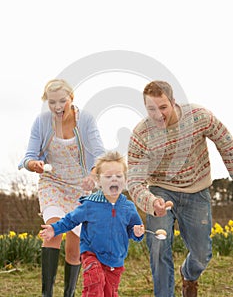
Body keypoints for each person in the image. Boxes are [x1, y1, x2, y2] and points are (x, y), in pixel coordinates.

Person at [127, 80, 233, 297]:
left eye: (163, 107)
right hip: (160, 191)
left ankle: (189, 275)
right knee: (158, 247)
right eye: (151, 109)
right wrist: (151, 202)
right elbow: (135, 181)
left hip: (196, 190)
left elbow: (226, 143)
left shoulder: (198, 116)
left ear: (173, 102)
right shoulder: (141, 135)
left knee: (202, 253)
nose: (158, 115)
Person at [18, 78, 105, 297]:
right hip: (53, 183)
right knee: (53, 231)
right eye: (52, 102)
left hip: (80, 187)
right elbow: (29, 156)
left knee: (74, 248)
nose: (57, 107)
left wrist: (94, 174)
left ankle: (68, 294)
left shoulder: (85, 120)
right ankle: (47, 294)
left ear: (71, 99)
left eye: (62, 101)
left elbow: (99, 152)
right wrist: (33, 164)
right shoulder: (41, 122)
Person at [40, 151, 145, 297]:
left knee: (110, 293)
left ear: (125, 180)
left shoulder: (128, 208)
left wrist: (137, 232)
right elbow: (70, 220)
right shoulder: (90, 204)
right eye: (108, 176)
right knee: (95, 284)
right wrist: (54, 229)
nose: (114, 179)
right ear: (99, 181)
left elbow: (133, 230)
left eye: (119, 176)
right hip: (92, 254)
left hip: (115, 260)